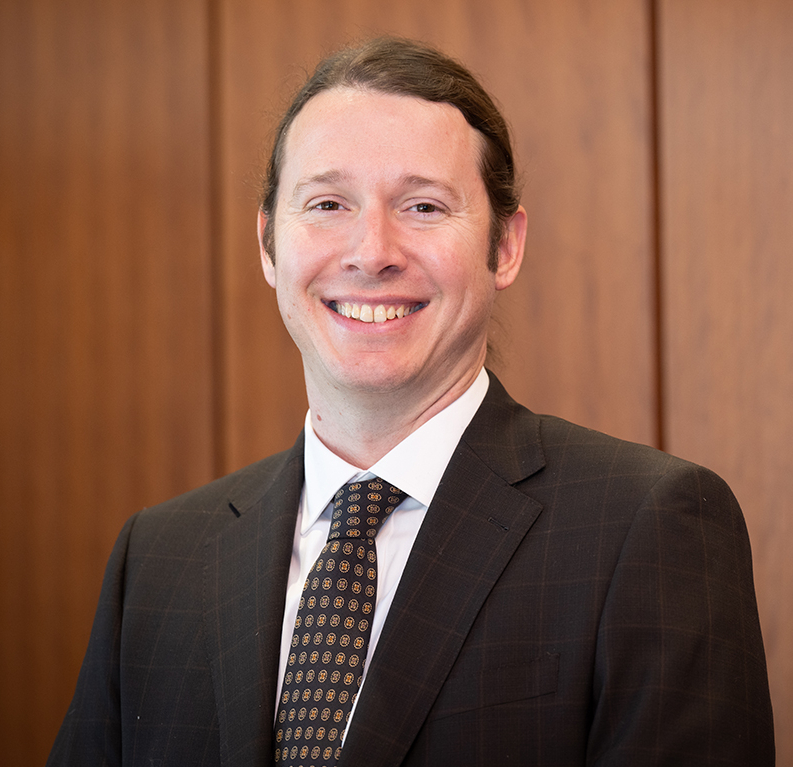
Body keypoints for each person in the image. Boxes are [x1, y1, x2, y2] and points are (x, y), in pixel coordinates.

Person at [48, 36, 774, 766]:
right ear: (268, 243)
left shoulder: (648, 528)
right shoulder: (159, 558)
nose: (371, 251)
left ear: (505, 247)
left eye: (423, 206)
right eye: (327, 202)